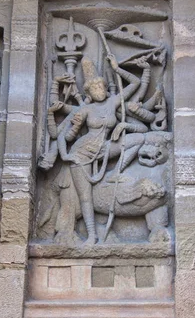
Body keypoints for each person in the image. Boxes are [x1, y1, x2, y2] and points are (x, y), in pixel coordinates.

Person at [57, 54, 149, 245]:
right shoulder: (85, 110)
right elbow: (64, 136)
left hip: (105, 147)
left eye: (101, 86)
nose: (99, 90)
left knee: (138, 138)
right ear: (89, 92)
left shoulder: (113, 101)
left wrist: (117, 68)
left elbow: (135, 82)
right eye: (94, 88)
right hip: (82, 152)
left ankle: (117, 172)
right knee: (85, 197)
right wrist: (67, 153)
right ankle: (92, 236)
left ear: (106, 88)